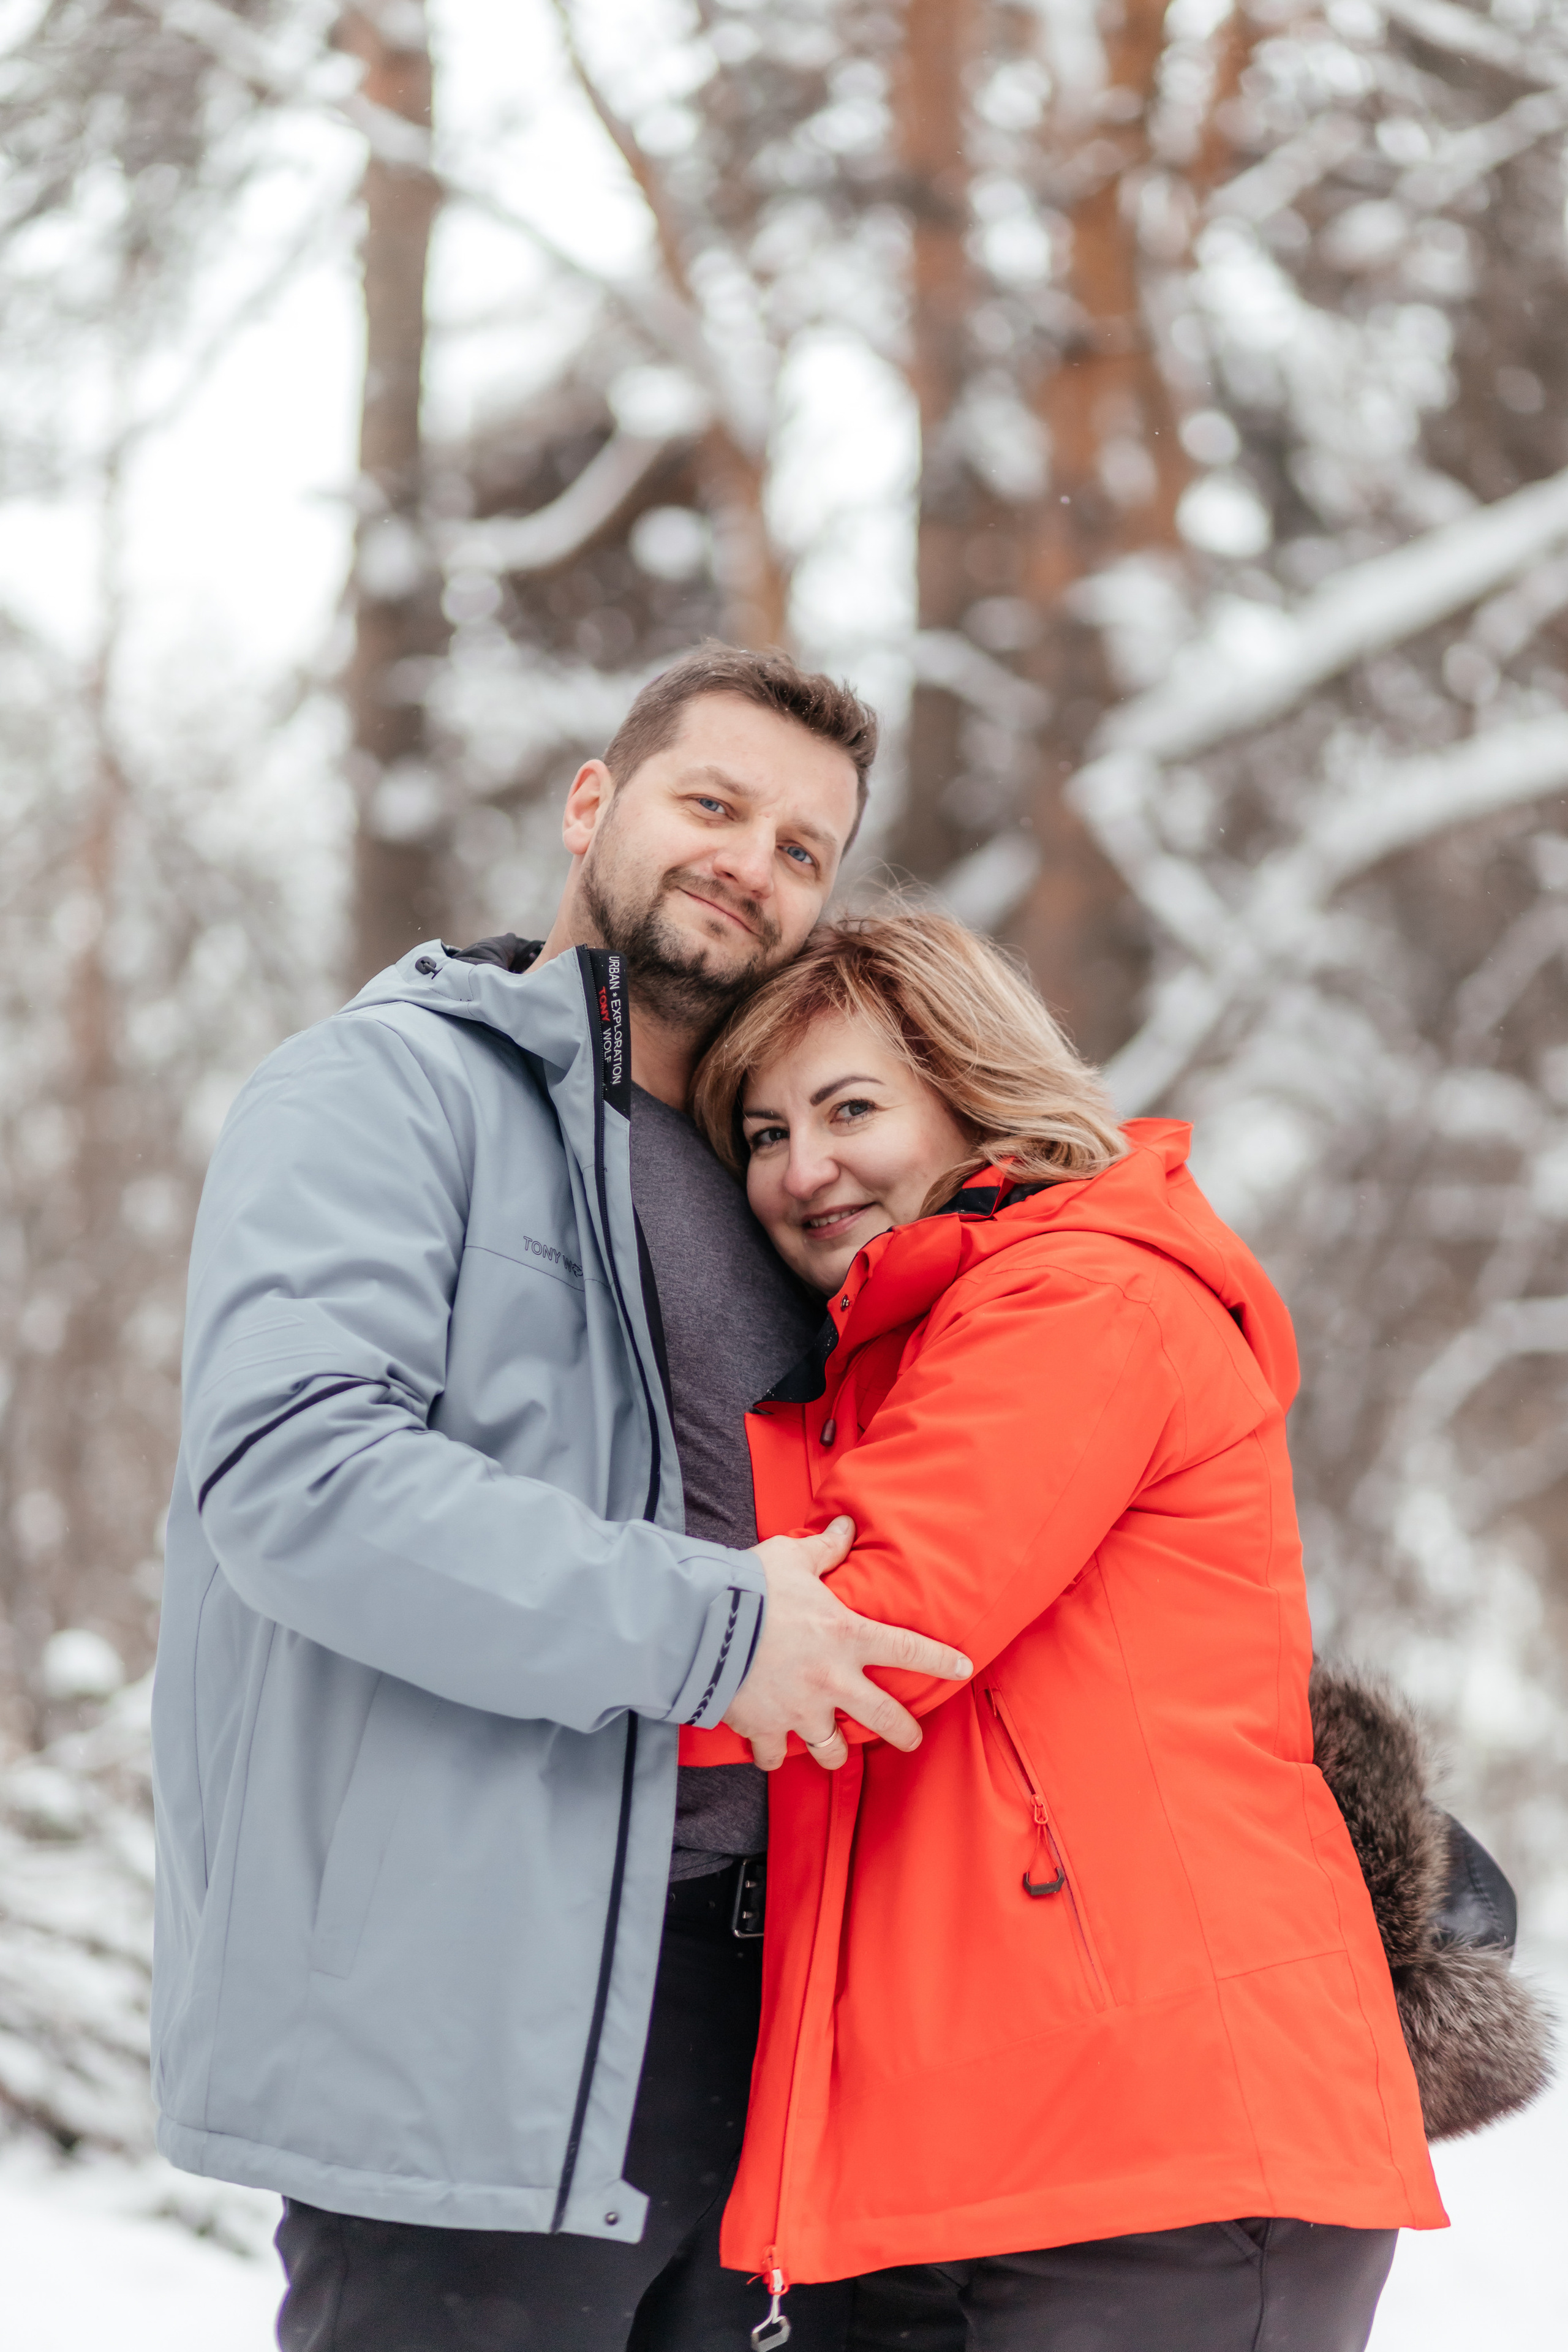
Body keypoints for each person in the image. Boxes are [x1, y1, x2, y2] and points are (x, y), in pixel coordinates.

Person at [149, 647, 972, 2352]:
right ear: (594, 804)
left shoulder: (786, 1185)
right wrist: (709, 1631)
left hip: (747, 2024)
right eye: (715, 803)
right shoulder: (387, 1090)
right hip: (471, 2033)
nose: (754, 860)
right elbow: (296, 1474)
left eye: (805, 848)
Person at [685, 908, 1447, 2352]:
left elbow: (864, 1636)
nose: (802, 1168)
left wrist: (529, 1661)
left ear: (973, 1090)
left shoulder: (1077, 1295)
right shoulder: (907, 1352)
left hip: (1157, 2148)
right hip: (1011, 2156)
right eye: (763, 1133)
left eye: (851, 1108)